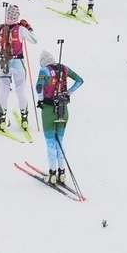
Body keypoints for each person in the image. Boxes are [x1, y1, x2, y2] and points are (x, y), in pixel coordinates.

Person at [36, 48, 83, 185]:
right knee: (59, 142)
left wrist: (40, 100)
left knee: (50, 143)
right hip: (63, 110)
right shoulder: (64, 69)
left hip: (48, 111)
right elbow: (79, 80)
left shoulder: (44, 70)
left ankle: (52, 173)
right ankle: (62, 173)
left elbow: (39, 87)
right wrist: (68, 92)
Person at [0, 5, 37, 131]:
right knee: (20, 91)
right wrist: (28, 27)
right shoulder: (21, 29)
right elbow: (34, 40)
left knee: (4, 92)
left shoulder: (0, 28)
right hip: (18, 62)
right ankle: (24, 118)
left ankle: (2, 119)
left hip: (4, 62)